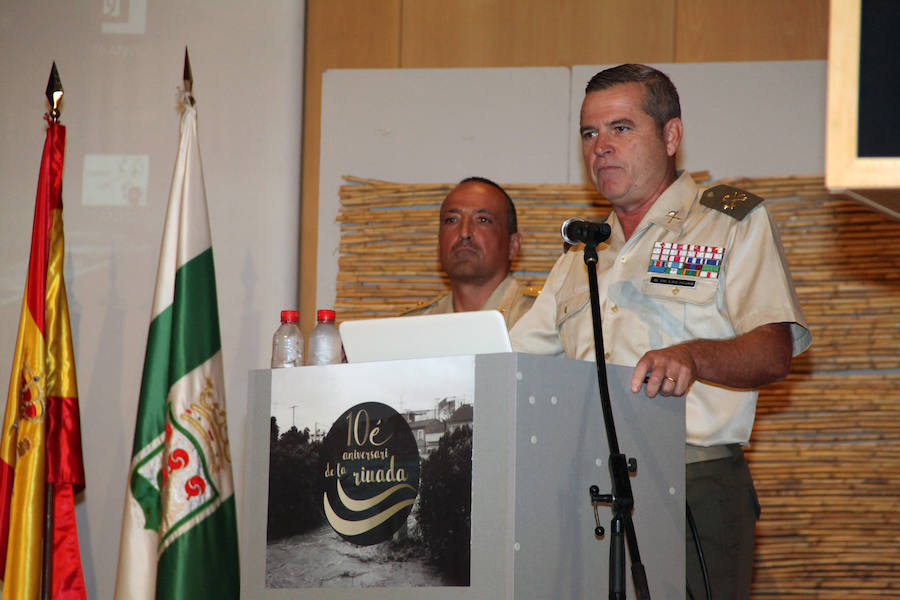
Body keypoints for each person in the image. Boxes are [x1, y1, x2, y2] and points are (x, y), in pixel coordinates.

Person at [509, 64, 811, 598]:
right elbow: (513, 365)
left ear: (671, 135)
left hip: (693, 482)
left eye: (620, 128)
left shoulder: (729, 222)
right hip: (591, 493)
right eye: (589, 132)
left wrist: (693, 356)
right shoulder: (581, 256)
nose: (600, 146)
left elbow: (774, 349)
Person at [403, 176, 538, 328]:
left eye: (483, 220)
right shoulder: (412, 326)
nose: (464, 233)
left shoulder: (542, 317)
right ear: (439, 244)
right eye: (451, 220)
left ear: (513, 245)